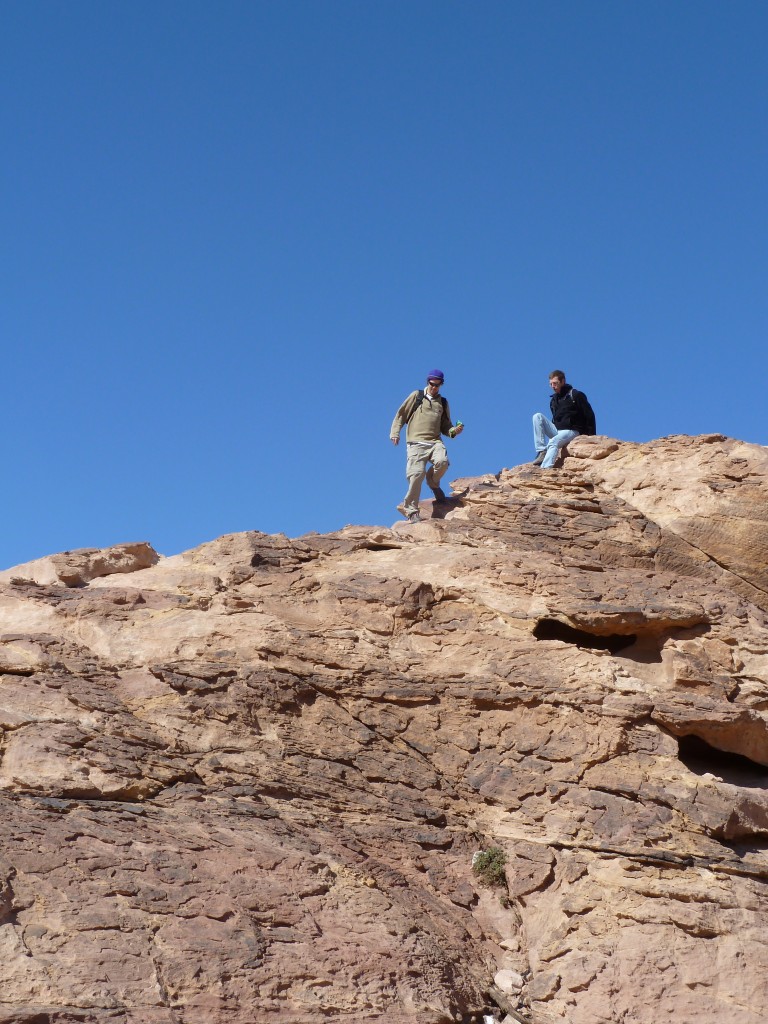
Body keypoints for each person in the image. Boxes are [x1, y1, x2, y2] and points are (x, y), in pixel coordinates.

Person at [390, 369, 464, 522]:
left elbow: (446, 427)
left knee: (442, 462)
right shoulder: (416, 396)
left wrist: (455, 431)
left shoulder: (442, 403)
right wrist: (395, 432)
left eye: (437, 385)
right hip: (416, 443)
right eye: (432, 384)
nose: (434, 387)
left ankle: (433, 483)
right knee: (416, 475)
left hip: (435, 442)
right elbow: (401, 415)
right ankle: (411, 510)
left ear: (441, 384)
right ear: (427, 382)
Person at [532, 370, 596, 468]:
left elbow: (589, 415)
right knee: (537, 416)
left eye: (555, 383)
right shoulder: (554, 400)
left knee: (553, 442)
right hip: (558, 430)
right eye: (551, 384)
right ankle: (542, 451)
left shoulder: (575, 395)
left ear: (563, 381)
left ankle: (545, 468)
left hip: (573, 430)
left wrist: (591, 437)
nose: (553, 386)